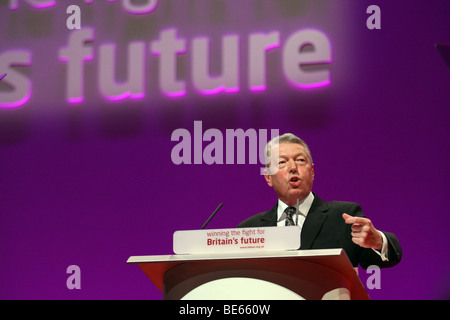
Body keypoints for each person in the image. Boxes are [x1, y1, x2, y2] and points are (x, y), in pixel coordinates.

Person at [237, 133, 402, 269]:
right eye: (282, 162)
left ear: (312, 171)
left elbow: (380, 260)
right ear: (268, 177)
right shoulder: (249, 229)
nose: (293, 167)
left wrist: (378, 241)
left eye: (300, 160)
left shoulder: (343, 217)